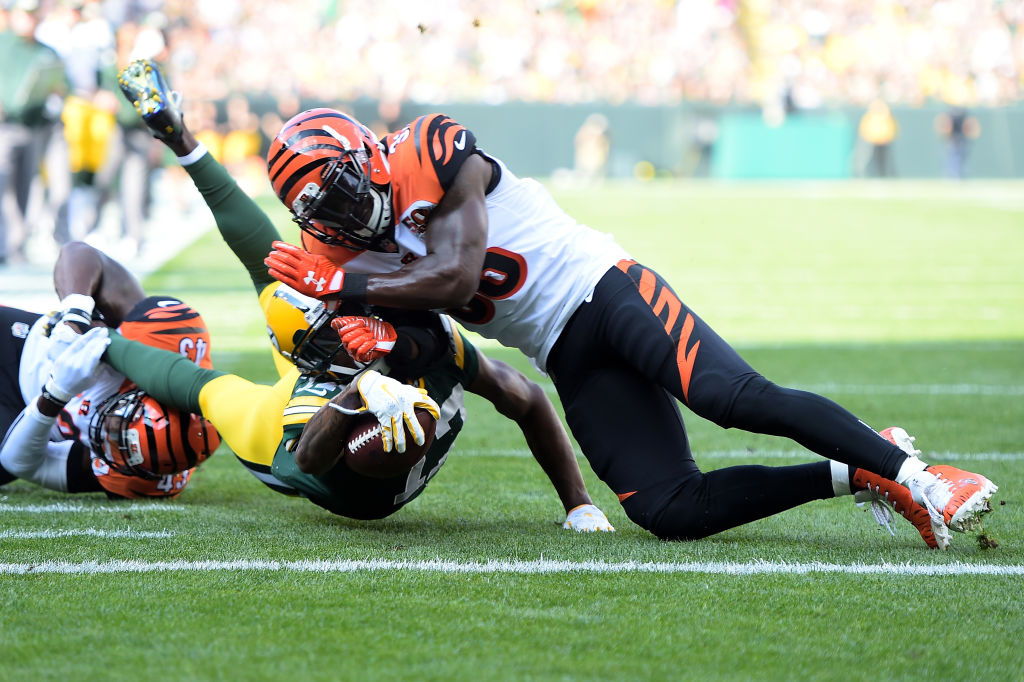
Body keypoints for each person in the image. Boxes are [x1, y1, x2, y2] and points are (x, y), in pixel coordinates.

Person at [262, 105, 999, 549]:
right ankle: (859, 469)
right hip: (561, 349)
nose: (338, 216)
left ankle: (924, 479)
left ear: (365, 154)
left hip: (603, 288)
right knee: (668, 509)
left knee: (728, 395)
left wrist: (344, 282)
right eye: (317, 212)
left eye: (340, 189)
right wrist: (388, 343)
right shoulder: (346, 256)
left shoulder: (428, 148)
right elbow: (432, 335)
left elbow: (455, 274)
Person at [93, 59, 613, 530]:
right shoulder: (332, 328)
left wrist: (579, 502)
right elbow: (260, 250)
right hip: (325, 390)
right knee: (274, 282)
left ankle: (95, 343)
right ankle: (98, 336)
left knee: (216, 390)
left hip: (344, 476)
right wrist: (183, 140)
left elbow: (310, 460)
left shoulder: (425, 351)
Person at [0, 245, 220, 498]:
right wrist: (75, 318)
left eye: (123, 449)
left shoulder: (144, 471)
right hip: (17, 344)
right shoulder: (160, 342)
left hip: (17, 420)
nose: (110, 440)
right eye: (120, 430)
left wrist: (55, 393)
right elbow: (78, 253)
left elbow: (17, 462)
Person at [0, 4, 69, 263]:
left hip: (33, 126)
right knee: (2, 186)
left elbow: (64, 84)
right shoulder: (3, 44)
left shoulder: (45, 51)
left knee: (23, 189)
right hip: (4, 126)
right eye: (24, 14)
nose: (29, 20)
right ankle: (6, 246)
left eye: (33, 14)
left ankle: (15, 245)